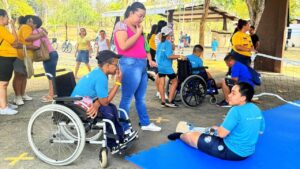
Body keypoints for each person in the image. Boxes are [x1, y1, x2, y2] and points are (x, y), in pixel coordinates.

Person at [168, 82, 265, 161]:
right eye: (230, 92)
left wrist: (219, 129)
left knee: (191, 137)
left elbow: (222, 135)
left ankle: (179, 135)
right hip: (249, 152)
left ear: (243, 98)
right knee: (214, 129)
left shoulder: (235, 111)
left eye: (233, 93)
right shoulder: (256, 109)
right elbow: (260, 131)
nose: (229, 95)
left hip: (231, 151)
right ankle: (201, 131)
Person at [71, 50, 137, 151]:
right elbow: (105, 102)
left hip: (85, 100)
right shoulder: (101, 77)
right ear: (107, 65)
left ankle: (120, 136)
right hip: (78, 105)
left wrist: (97, 103)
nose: (117, 67)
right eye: (115, 64)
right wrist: (117, 83)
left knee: (112, 108)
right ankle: (113, 144)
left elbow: (102, 99)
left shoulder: (99, 73)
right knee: (108, 112)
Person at [114, 2, 161, 132]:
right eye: (139, 16)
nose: (141, 19)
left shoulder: (138, 27)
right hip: (129, 64)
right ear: (131, 13)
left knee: (140, 97)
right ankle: (123, 127)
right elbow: (123, 46)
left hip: (141, 65)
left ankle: (145, 123)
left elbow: (144, 46)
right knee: (127, 98)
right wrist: (137, 33)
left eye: (143, 17)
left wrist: (150, 59)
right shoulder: (121, 25)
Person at [26, 16, 59, 102]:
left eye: (30, 21)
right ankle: (52, 93)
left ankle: (51, 96)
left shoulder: (35, 32)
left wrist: (23, 47)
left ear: (35, 24)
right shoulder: (40, 30)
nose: (28, 23)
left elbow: (36, 46)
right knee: (52, 75)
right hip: (52, 54)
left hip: (49, 55)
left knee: (50, 76)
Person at [13, 15, 36, 106]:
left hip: (26, 56)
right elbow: (28, 38)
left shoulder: (25, 27)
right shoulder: (26, 27)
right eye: (30, 21)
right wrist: (40, 34)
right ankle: (17, 96)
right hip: (21, 56)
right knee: (19, 75)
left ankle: (22, 94)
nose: (32, 23)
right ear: (26, 22)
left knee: (24, 75)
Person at [156, 26, 182, 108]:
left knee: (161, 83)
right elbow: (169, 56)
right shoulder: (168, 43)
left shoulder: (160, 43)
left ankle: (163, 101)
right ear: (168, 35)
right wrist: (180, 56)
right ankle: (170, 101)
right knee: (175, 81)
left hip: (160, 66)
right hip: (167, 67)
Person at [0, 9, 19, 115]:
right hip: (4, 58)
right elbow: (15, 41)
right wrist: (12, 26)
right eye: (7, 17)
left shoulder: (3, 29)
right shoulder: (1, 29)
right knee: (2, 84)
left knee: (3, 84)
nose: (9, 19)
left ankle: (4, 103)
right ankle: (3, 107)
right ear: (1, 17)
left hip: (5, 58)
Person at [153, 20, 168, 99]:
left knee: (158, 75)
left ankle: (158, 92)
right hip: (162, 58)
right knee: (162, 76)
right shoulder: (161, 36)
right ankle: (162, 93)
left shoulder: (156, 35)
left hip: (158, 57)